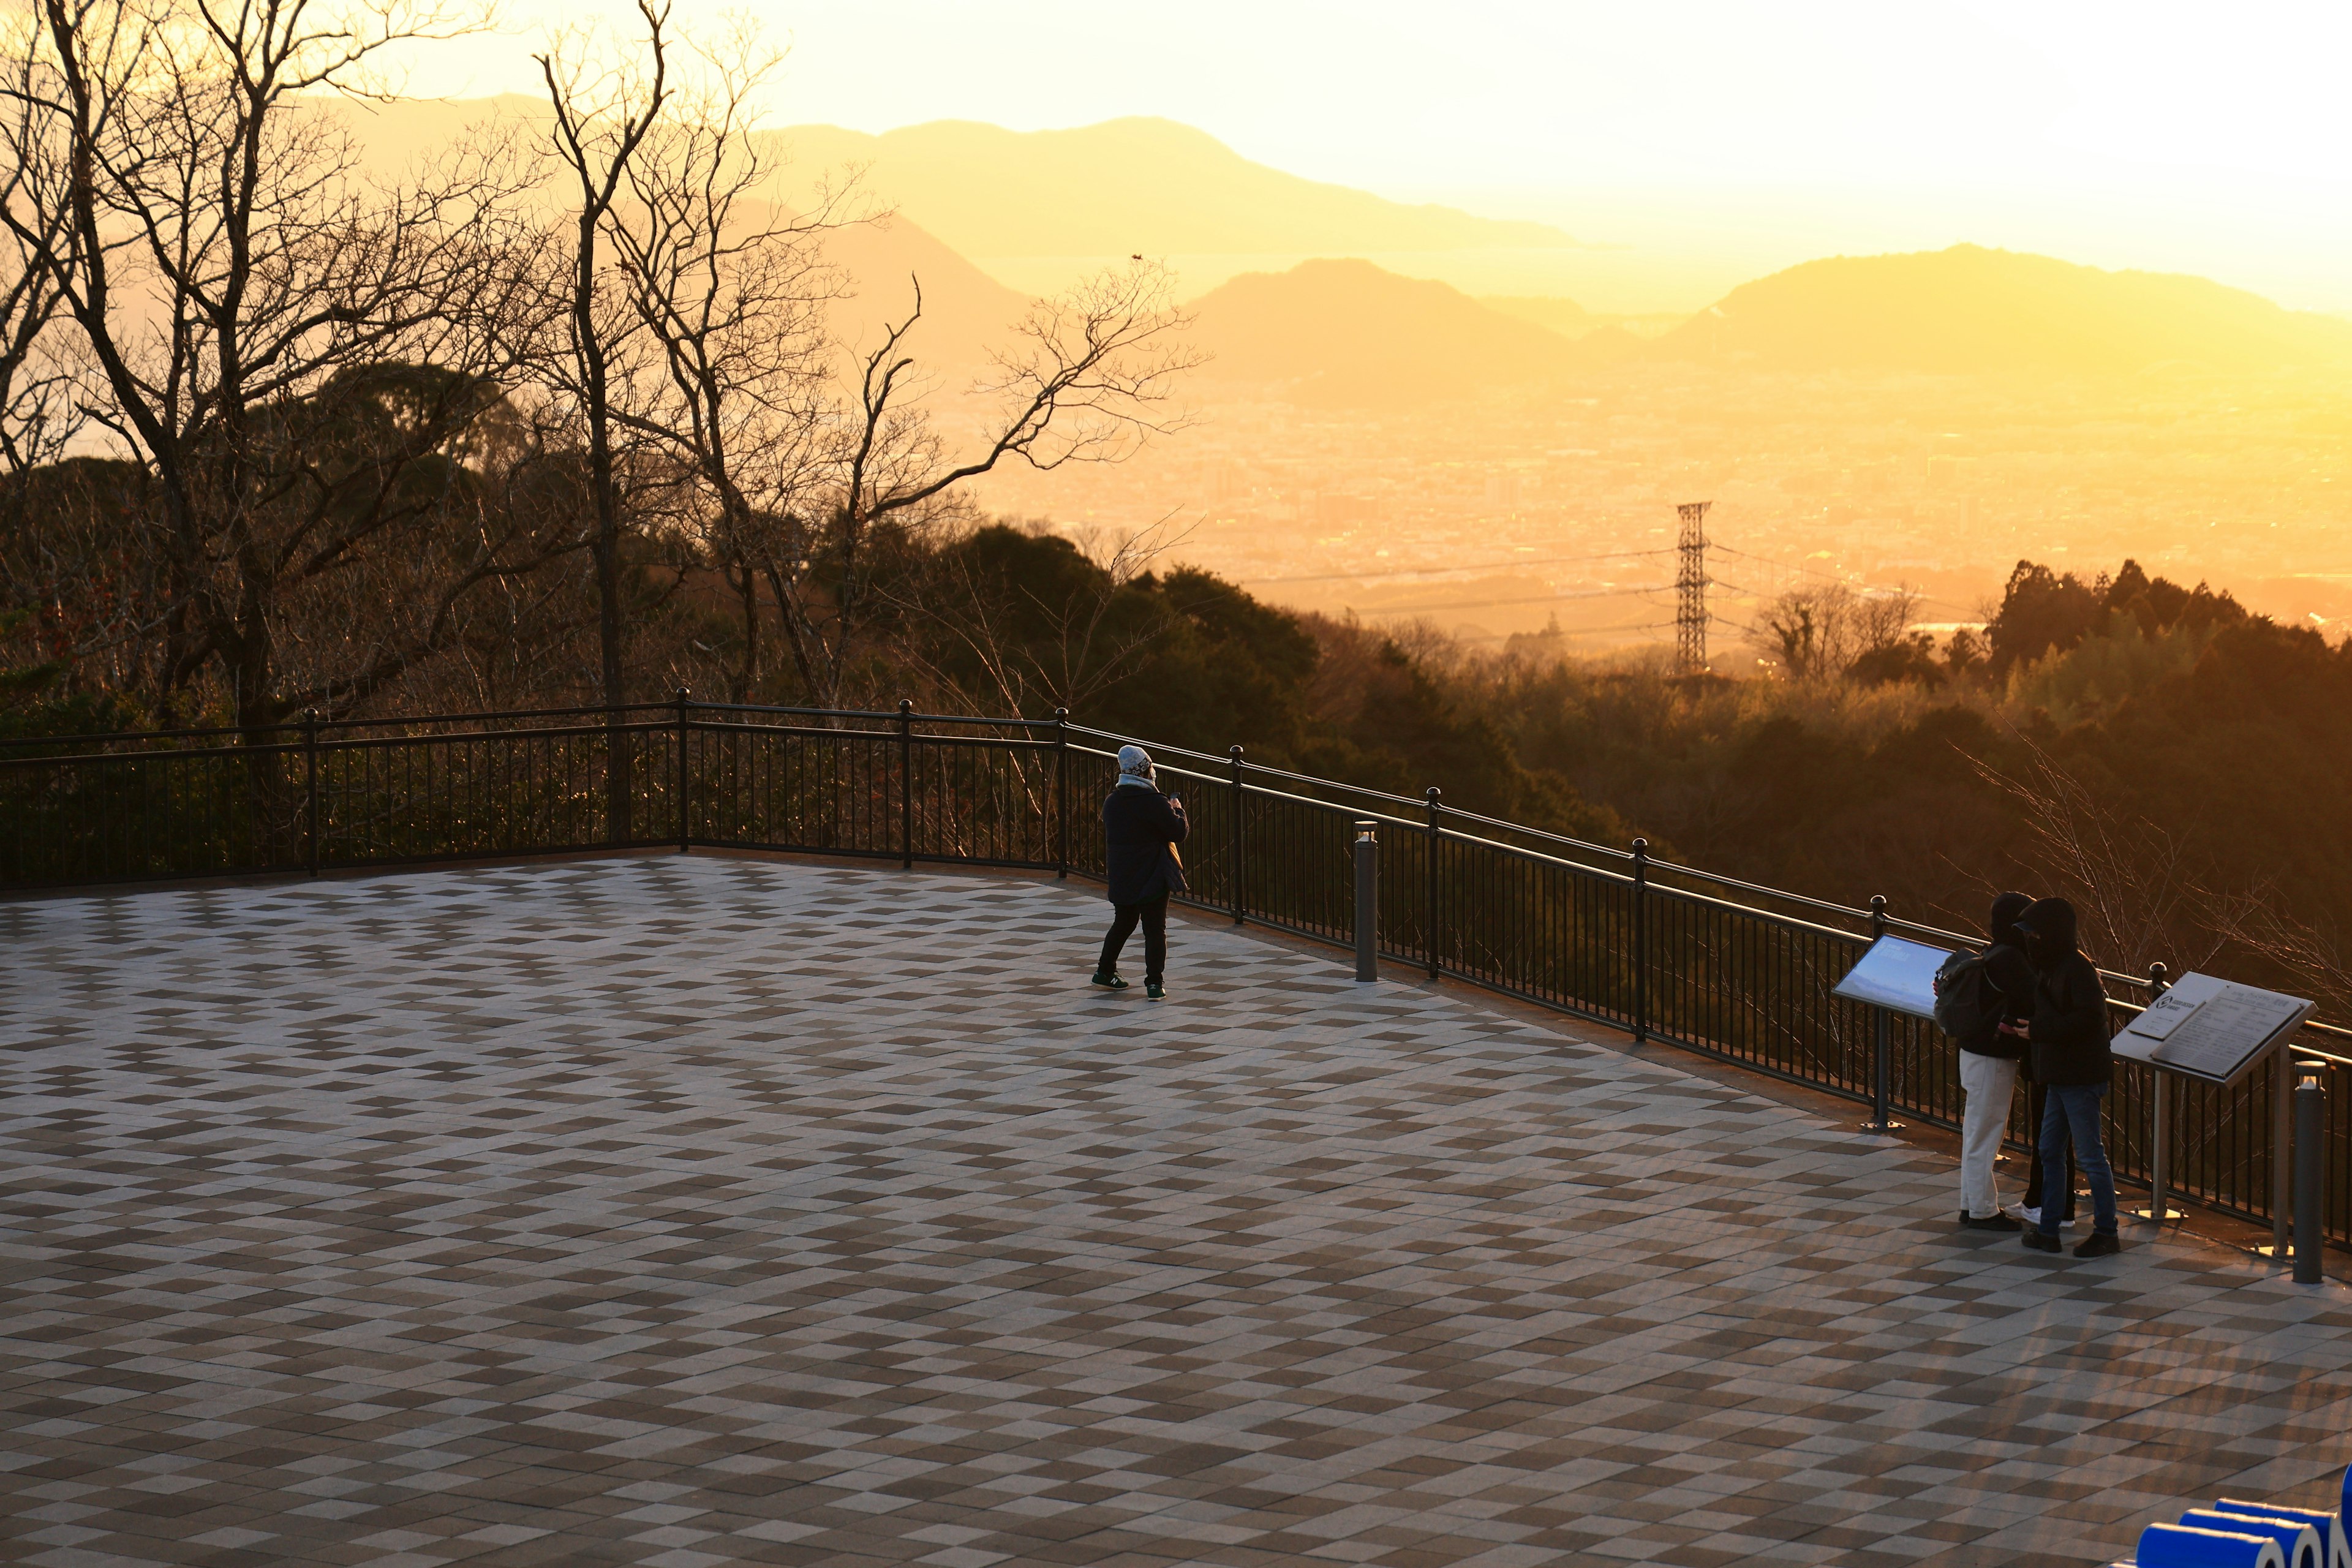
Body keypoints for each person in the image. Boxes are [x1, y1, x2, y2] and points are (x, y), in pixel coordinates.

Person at [2002, 896, 2122, 1257]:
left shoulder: (2077, 969)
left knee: (2089, 1156)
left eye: (2036, 933)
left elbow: (2089, 1020)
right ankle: (2049, 1229)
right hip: (2058, 1074)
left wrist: (2037, 1030)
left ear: (2052, 934)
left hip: (2079, 1076)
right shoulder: (2054, 965)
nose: (2031, 940)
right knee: (2050, 1150)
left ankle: (2106, 1232)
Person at [1955, 892, 2037, 1231]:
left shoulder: (1992, 951)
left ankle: (1970, 1204)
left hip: (1974, 1051)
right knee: (1985, 1134)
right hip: (1992, 1056)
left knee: (1976, 1131)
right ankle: (1983, 1211)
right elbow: (2035, 997)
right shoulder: (2013, 959)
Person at [1095, 745, 1188, 1000]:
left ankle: (1105, 971)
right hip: (1153, 875)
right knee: (1155, 929)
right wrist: (1177, 810)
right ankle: (1155, 983)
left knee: (1123, 923)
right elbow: (1178, 832)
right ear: (1147, 770)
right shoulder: (1155, 802)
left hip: (1123, 874)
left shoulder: (1112, 802)